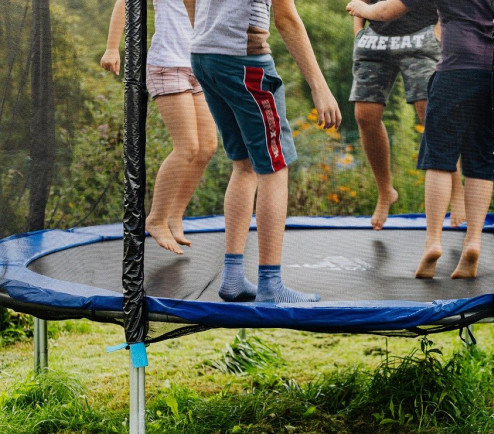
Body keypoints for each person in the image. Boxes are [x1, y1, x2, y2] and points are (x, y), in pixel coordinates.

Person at [347, 0, 494, 279]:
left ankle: (433, 242)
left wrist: (361, 10)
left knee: (438, 157)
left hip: (457, 66)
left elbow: (389, 10)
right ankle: (473, 241)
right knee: (483, 158)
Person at [185, 0, 342, 303]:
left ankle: (232, 277)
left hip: (204, 56)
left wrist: (209, 35)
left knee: (243, 164)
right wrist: (319, 86)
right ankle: (270, 284)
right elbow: (286, 18)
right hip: (244, 61)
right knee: (275, 166)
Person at [101, 0, 218, 255]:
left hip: (199, 65)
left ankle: (175, 215)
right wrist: (112, 48)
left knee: (207, 146)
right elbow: (125, 2)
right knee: (187, 146)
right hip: (167, 65)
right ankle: (155, 219)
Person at [351, 2, 466, 231]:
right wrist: (359, 32)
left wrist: (439, 32)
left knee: (430, 113)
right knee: (365, 115)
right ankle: (386, 192)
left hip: (420, 36)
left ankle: (457, 192)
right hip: (375, 38)